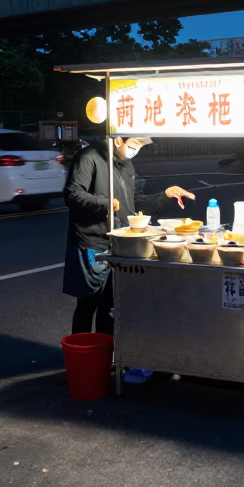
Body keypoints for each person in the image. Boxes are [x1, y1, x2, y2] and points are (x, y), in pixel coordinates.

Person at [63, 135, 195, 336]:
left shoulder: (126, 164)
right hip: (93, 241)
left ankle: (106, 357)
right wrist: (103, 202)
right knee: (88, 303)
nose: (136, 150)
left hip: (119, 242)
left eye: (140, 146)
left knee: (110, 305)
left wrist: (164, 195)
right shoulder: (88, 157)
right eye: (134, 144)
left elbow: (133, 203)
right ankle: (81, 357)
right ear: (118, 141)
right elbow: (73, 194)